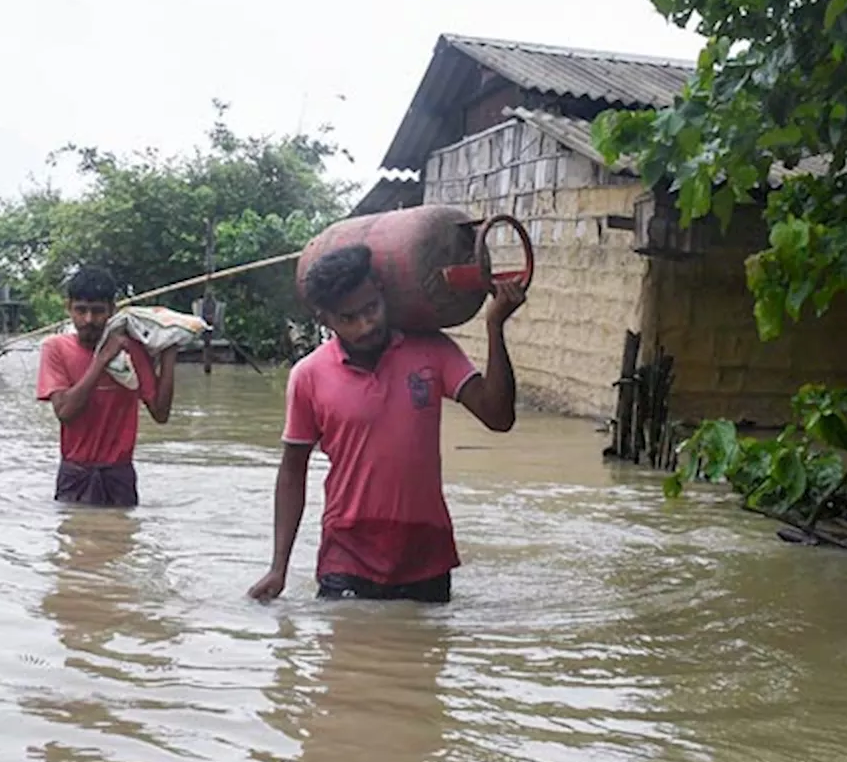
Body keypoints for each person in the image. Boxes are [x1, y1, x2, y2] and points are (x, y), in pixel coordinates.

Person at [247, 244, 525, 604]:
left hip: (426, 553)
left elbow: (499, 417)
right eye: (349, 318)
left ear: (381, 289)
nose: (366, 324)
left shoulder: (432, 350)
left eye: (371, 308)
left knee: (420, 658)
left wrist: (494, 325)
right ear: (325, 319)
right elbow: (291, 473)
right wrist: (278, 567)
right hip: (347, 554)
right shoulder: (308, 376)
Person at [36, 265, 178, 507]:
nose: (89, 320)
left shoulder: (132, 350)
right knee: (73, 541)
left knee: (121, 541)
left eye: (98, 311)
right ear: (68, 308)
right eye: (81, 311)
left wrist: (168, 356)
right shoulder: (55, 348)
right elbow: (65, 412)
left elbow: (161, 413)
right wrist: (101, 360)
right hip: (75, 473)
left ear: (113, 311)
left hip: (119, 475)